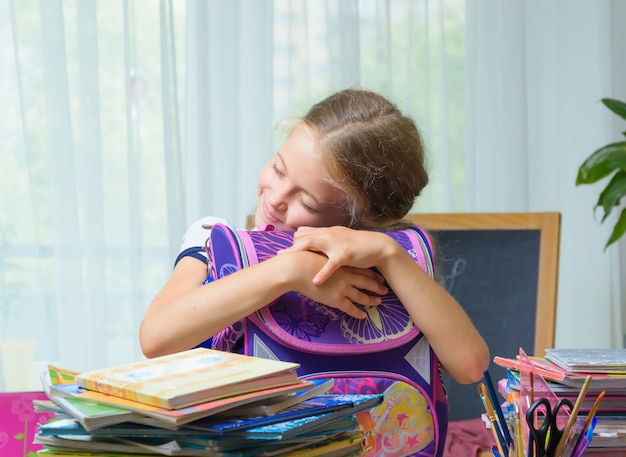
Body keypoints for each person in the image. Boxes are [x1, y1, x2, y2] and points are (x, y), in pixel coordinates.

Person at [140, 88, 490, 455]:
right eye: (277, 168)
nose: (275, 198)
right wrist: (288, 270)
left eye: (305, 200)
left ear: (358, 221)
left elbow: (471, 366)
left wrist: (390, 254)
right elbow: (156, 338)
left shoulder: (398, 259)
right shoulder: (212, 240)